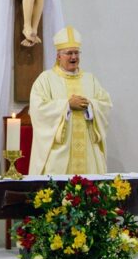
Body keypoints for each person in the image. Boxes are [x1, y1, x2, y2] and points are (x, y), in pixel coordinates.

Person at [29, 26, 112, 175]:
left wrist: (90, 106)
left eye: (76, 53)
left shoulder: (90, 79)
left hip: (88, 152)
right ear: (58, 56)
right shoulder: (45, 79)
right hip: (59, 154)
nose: (74, 57)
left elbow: (105, 104)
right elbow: (38, 109)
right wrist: (66, 106)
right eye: (69, 53)